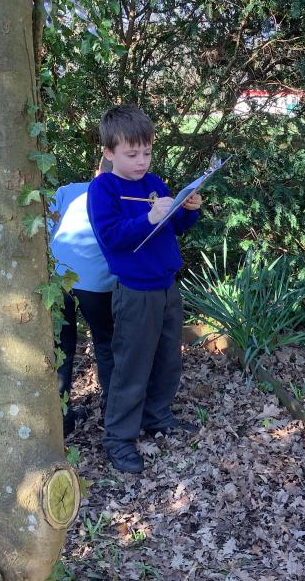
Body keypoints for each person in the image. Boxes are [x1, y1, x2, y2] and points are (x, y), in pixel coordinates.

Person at [88, 105, 203, 473]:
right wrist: (148, 217)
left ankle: (157, 416)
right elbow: (111, 236)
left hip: (167, 286)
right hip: (135, 292)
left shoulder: (153, 183)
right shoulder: (103, 189)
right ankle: (119, 439)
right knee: (132, 366)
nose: (141, 162)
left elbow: (175, 227)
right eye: (132, 154)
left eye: (147, 152)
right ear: (109, 152)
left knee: (168, 358)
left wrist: (189, 209)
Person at [49, 157, 116, 436]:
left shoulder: (67, 191)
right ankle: (113, 411)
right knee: (106, 342)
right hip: (96, 282)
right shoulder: (121, 195)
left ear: (96, 170)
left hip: (58, 277)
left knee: (61, 346)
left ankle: (60, 417)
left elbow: (45, 226)